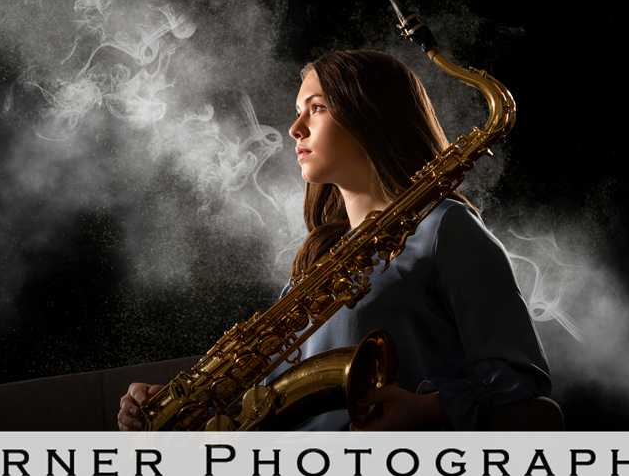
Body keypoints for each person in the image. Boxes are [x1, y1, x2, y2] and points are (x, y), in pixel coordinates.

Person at [118, 50, 551, 432]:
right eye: (298, 109)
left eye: (317, 108)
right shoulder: (320, 257)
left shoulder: (445, 227)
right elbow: (270, 398)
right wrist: (169, 410)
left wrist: (424, 408)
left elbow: (521, 374)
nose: (294, 129)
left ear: (371, 116)